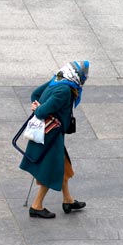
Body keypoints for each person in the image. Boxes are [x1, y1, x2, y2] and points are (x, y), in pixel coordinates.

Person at [19, 61, 89, 219]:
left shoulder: (57, 80)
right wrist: (39, 108)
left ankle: (68, 200)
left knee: (63, 165)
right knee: (51, 168)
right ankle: (36, 206)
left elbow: (35, 94)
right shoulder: (64, 90)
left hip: (50, 132)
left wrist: (38, 105)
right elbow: (41, 111)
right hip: (51, 134)